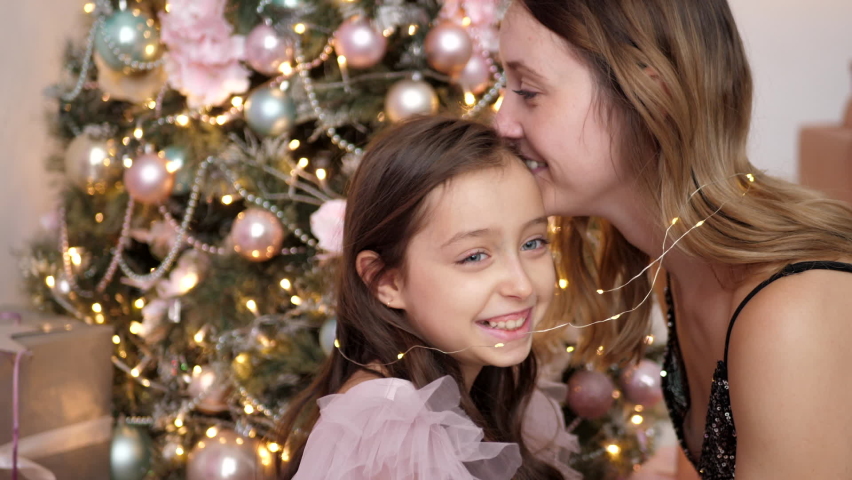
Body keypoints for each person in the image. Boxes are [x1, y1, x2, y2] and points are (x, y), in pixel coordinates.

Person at [494, 1, 852, 478]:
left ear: (651, 96)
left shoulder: (791, 309)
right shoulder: (675, 261)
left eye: (529, 91)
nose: (502, 122)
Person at [277, 116, 579, 480]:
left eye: (533, 243)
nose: (523, 286)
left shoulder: (494, 394)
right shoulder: (388, 429)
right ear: (385, 281)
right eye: (474, 256)